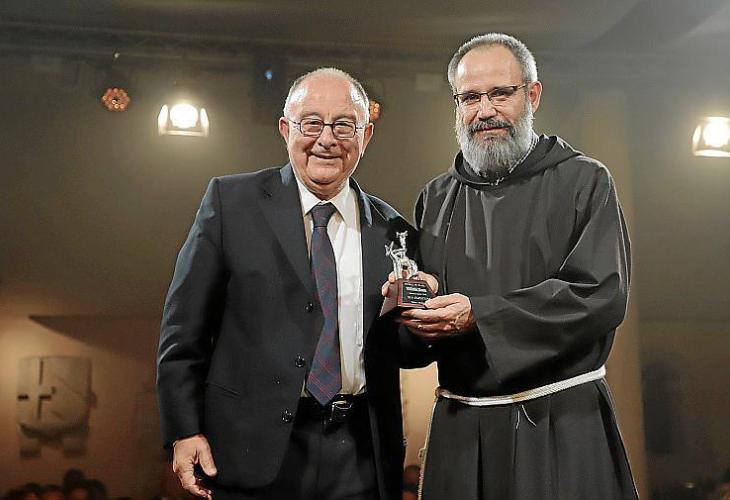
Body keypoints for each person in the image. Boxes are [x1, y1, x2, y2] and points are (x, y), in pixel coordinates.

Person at [157, 67, 419, 500]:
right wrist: (184, 429)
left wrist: (421, 314)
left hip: (359, 454)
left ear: (366, 135)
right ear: (285, 129)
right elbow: (183, 330)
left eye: (344, 125)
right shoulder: (231, 203)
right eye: (311, 123)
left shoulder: (394, 230)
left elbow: (405, 349)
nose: (326, 139)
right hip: (248, 447)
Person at [398, 33, 638, 499]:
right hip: (462, 429)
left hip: (558, 422)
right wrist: (411, 307)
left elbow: (600, 296)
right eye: (470, 98)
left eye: (500, 93)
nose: (485, 110)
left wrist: (480, 315)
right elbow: (422, 328)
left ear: (532, 95)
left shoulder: (584, 180)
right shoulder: (437, 198)